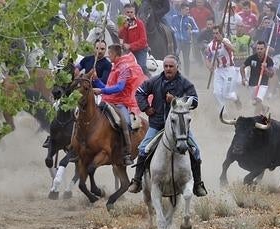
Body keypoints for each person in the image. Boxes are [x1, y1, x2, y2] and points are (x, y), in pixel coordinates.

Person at [128, 55, 208, 197]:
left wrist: (176, 100)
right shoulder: (154, 81)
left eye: (171, 66)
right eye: (166, 66)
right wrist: (146, 108)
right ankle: (137, 180)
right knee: (143, 149)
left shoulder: (185, 83)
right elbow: (140, 92)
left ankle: (198, 184)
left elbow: (194, 100)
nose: (168, 69)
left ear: (177, 67)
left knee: (195, 150)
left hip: (179, 126)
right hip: (157, 124)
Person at [92, 44, 147, 165]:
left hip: (121, 102)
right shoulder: (114, 67)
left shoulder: (124, 68)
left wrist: (101, 91)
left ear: (116, 54)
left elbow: (120, 87)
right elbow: (108, 87)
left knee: (125, 122)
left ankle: (127, 152)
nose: (108, 56)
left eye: (110, 54)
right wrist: (96, 80)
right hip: (108, 100)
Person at [205, 25, 241, 110]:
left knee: (226, 94)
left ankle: (236, 98)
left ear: (221, 33)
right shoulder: (210, 45)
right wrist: (209, 67)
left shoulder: (225, 41)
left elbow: (233, 49)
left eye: (217, 33)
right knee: (216, 93)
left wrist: (222, 40)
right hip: (218, 70)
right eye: (214, 33)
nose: (215, 35)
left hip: (229, 70)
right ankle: (223, 112)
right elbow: (207, 58)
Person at [240, 41, 274, 114]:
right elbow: (242, 67)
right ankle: (264, 108)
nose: (259, 50)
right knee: (255, 103)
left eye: (261, 49)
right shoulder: (251, 58)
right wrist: (243, 78)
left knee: (258, 100)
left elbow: (271, 74)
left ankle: (256, 117)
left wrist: (265, 69)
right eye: (258, 49)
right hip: (252, 84)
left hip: (263, 84)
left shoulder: (268, 60)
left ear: (265, 49)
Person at [119, 3, 150, 76]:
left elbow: (143, 40)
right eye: (127, 12)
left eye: (131, 12)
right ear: (124, 13)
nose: (129, 14)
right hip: (128, 50)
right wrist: (124, 27)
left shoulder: (139, 23)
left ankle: (148, 80)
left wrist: (130, 45)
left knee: (141, 66)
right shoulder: (123, 23)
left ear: (134, 13)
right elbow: (120, 35)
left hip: (140, 50)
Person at [171, 3, 199, 77]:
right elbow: (170, 26)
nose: (188, 11)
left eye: (188, 9)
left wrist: (192, 31)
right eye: (186, 9)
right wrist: (173, 29)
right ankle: (175, 73)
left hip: (186, 42)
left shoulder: (190, 19)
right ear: (181, 9)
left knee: (186, 59)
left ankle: (187, 75)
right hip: (177, 42)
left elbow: (197, 30)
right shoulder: (174, 18)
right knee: (175, 56)